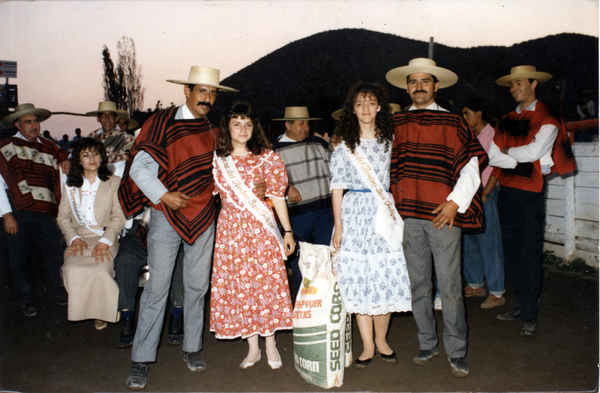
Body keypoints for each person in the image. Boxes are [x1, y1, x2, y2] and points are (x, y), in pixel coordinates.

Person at [118, 66, 237, 389]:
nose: (208, 98)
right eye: (202, 91)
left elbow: (221, 172)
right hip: (165, 216)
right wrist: (164, 195)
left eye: (212, 94)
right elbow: (140, 170)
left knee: (197, 287)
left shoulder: (213, 131)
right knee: (157, 288)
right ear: (186, 90)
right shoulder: (160, 123)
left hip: (203, 217)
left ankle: (192, 348)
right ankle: (141, 359)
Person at [386, 58, 487, 377]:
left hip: (443, 216)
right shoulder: (396, 122)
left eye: (425, 81)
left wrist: (454, 204)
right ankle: (427, 343)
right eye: (413, 81)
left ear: (436, 86)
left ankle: (457, 350)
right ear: (407, 87)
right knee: (418, 285)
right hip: (408, 217)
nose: (419, 86)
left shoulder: (455, 123)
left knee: (451, 287)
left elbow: (471, 168)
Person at [329, 82, 412, 369]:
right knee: (359, 281)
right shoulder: (343, 146)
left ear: (379, 106)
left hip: (382, 214)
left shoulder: (390, 140)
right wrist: (339, 226)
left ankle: (382, 341)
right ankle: (366, 345)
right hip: (354, 215)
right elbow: (337, 188)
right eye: (359, 103)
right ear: (352, 109)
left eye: (371, 102)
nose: (365, 108)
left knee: (383, 278)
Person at [490, 65, 576, 337]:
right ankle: (519, 304)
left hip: (530, 192)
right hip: (508, 190)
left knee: (528, 252)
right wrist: (515, 156)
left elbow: (536, 151)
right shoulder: (505, 119)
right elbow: (492, 156)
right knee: (511, 250)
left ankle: (529, 313)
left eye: (520, 83)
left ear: (533, 84)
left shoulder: (547, 118)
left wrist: (507, 152)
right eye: (512, 84)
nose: (515, 88)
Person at [210, 101, 295, 370]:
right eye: (237, 123)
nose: (243, 129)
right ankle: (252, 348)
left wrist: (288, 231)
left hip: (262, 232)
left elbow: (278, 198)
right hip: (231, 233)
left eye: (248, 124)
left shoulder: (268, 157)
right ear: (227, 127)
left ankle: (270, 344)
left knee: (266, 286)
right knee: (241, 287)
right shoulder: (217, 160)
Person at [0, 103, 70, 316]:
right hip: (18, 211)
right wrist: (7, 214)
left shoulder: (51, 147)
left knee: (55, 253)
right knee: (18, 257)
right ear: (18, 125)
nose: (33, 126)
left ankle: (62, 291)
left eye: (35, 121)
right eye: (27, 122)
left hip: (47, 210)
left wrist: (67, 162)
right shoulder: (6, 147)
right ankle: (26, 299)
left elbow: (67, 160)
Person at [57, 138, 126, 330]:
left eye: (95, 153)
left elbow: (119, 217)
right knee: (72, 269)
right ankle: (87, 309)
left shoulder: (113, 182)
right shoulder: (70, 185)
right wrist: (74, 239)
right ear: (78, 160)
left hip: (105, 237)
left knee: (100, 269)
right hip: (79, 238)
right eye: (85, 155)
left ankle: (102, 311)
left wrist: (105, 241)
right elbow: (62, 218)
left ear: (101, 157)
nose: (92, 158)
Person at [271, 107, 333, 297]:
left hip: (325, 212)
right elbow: (269, 180)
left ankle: (325, 305)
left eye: (307, 123)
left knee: (326, 260)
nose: (305, 127)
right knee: (300, 263)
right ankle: (302, 307)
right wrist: (286, 187)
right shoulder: (275, 151)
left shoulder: (319, 144)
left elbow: (334, 167)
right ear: (287, 125)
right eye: (300, 123)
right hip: (297, 215)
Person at [460, 98, 506, 308]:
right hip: (470, 193)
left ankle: (497, 292)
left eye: (467, 113)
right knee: (470, 241)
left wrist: (486, 193)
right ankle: (476, 283)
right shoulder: (471, 136)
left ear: (479, 113)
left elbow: (497, 167)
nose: (465, 118)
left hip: (485, 192)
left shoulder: (493, 134)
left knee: (489, 243)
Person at [86, 101, 135, 177]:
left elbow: (122, 165)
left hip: (115, 177)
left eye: (110, 116)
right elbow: (79, 154)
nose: (107, 119)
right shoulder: (92, 136)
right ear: (98, 119)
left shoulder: (126, 138)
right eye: (103, 116)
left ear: (116, 119)